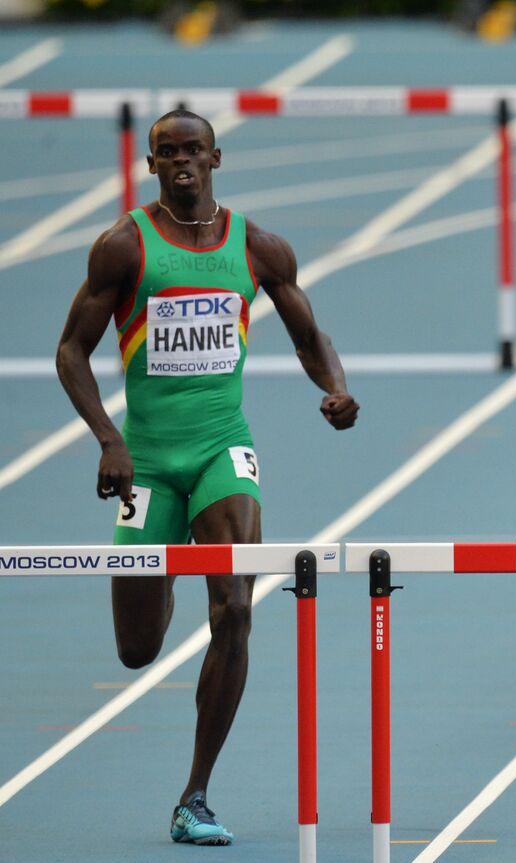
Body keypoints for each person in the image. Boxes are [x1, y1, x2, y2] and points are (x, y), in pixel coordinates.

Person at [56, 110, 359, 844]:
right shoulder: (125, 246)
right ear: (152, 165)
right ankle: (157, 574)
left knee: (235, 608)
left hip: (225, 447)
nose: (182, 163)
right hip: (149, 459)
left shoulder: (256, 246)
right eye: (168, 154)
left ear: (216, 156)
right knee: (137, 648)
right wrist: (107, 438)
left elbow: (307, 331)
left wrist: (335, 385)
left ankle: (195, 793)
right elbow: (71, 350)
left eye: (194, 150)